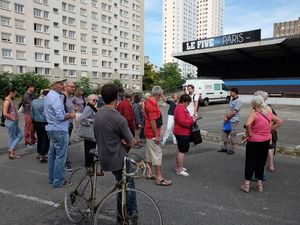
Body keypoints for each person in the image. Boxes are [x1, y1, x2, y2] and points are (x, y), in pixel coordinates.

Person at [94, 84, 137, 222]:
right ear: (117, 97)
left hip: (103, 155)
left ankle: (124, 215)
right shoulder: (118, 118)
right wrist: (124, 142)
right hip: (117, 158)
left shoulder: (99, 113)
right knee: (127, 186)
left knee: (121, 184)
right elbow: (131, 142)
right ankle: (127, 214)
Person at [240, 95, 283, 193]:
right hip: (266, 141)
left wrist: (250, 133)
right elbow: (280, 121)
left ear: (255, 103)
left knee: (250, 162)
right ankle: (259, 185)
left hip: (254, 141)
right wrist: (270, 129)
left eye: (252, 103)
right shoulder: (268, 112)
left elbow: (247, 125)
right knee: (261, 162)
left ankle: (247, 185)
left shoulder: (254, 113)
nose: (251, 104)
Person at [44, 78, 76, 188]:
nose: (63, 86)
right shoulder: (56, 97)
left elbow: (47, 113)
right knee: (60, 157)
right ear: (54, 85)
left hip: (52, 128)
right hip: (59, 130)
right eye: (61, 84)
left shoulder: (49, 96)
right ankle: (58, 181)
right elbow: (60, 116)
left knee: (52, 155)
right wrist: (71, 115)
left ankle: (52, 179)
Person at [144, 86, 172, 186]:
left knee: (149, 153)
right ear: (159, 94)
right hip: (152, 133)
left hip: (148, 132)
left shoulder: (149, 101)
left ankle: (148, 173)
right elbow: (152, 121)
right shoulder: (152, 103)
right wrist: (157, 135)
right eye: (162, 94)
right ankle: (159, 177)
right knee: (157, 153)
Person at [254, 90, 279, 172]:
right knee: (269, 148)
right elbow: (277, 120)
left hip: (263, 132)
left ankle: (262, 168)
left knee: (262, 149)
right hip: (269, 131)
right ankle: (271, 165)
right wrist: (272, 128)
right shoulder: (269, 107)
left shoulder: (259, 108)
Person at [80, 94, 103, 176]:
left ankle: (89, 167)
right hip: (89, 133)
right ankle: (89, 168)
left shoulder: (91, 107)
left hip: (91, 133)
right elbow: (82, 119)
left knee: (90, 149)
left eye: (96, 100)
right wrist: (92, 120)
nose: (96, 102)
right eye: (95, 100)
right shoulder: (88, 108)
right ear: (91, 100)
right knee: (90, 150)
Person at [173, 94, 196, 176]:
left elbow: (184, 119)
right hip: (182, 132)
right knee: (182, 151)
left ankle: (178, 167)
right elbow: (182, 121)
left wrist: (190, 118)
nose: (188, 104)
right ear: (183, 101)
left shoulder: (181, 108)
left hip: (180, 132)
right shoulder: (180, 108)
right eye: (188, 103)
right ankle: (179, 169)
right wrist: (192, 121)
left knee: (180, 150)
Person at [218, 88, 242, 155]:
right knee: (225, 133)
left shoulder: (238, 101)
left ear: (235, 92)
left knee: (232, 135)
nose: (230, 93)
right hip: (227, 120)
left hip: (233, 120)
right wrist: (225, 116)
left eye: (231, 92)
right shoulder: (232, 100)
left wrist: (227, 117)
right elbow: (229, 109)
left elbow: (234, 112)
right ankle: (225, 147)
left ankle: (232, 149)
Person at [2, 86, 23, 159]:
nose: (15, 94)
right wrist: (13, 117)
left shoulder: (10, 100)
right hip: (11, 122)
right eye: (14, 93)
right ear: (11, 92)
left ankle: (11, 150)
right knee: (13, 137)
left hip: (13, 122)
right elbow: (4, 113)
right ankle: (11, 152)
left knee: (19, 136)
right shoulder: (7, 101)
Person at [31, 89, 50, 163]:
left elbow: (32, 114)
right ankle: (43, 155)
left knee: (39, 138)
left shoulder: (34, 101)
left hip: (37, 122)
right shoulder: (48, 102)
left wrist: (33, 122)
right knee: (46, 139)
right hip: (46, 122)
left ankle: (39, 153)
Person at [63, 81, 76, 172]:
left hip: (70, 123)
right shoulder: (62, 97)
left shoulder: (69, 98)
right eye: (72, 87)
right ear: (66, 87)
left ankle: (66, 160)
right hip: (65, 124)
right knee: (64, 144)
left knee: (67, 143)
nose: (73, 88)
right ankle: (64, 163)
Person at [23, 83, 37, 147]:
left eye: (33, 87)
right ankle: (27, 141)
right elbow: (32, 103)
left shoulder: (33, 94)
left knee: (33, 128)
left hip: (34, 113)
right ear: (28, 88)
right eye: (31, 87)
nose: (33, 88)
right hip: (28, 113)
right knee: (27, 127)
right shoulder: (26, 95)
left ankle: (33, 140)